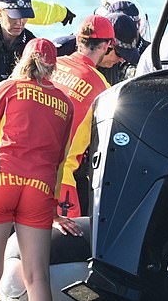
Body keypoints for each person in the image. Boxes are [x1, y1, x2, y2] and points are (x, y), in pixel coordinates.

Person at [0, 38, 79, 301]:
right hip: (39, 188)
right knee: (37, 276)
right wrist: (54, 208)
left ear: (22, 60)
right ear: (53, 67)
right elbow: (61, 159)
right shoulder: (65, 104)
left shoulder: (8, 87)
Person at [50, 15, 114, 217]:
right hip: (61, 179)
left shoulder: (52, 64)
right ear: (107, 45)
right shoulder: (103, 89)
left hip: (22, 170)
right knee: (68, 244)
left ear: (78, 40)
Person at [53, 12, 140, 86]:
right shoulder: (59, 51)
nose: (121, 60)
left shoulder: (112, 67)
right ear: (107, 45)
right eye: (120, 54)